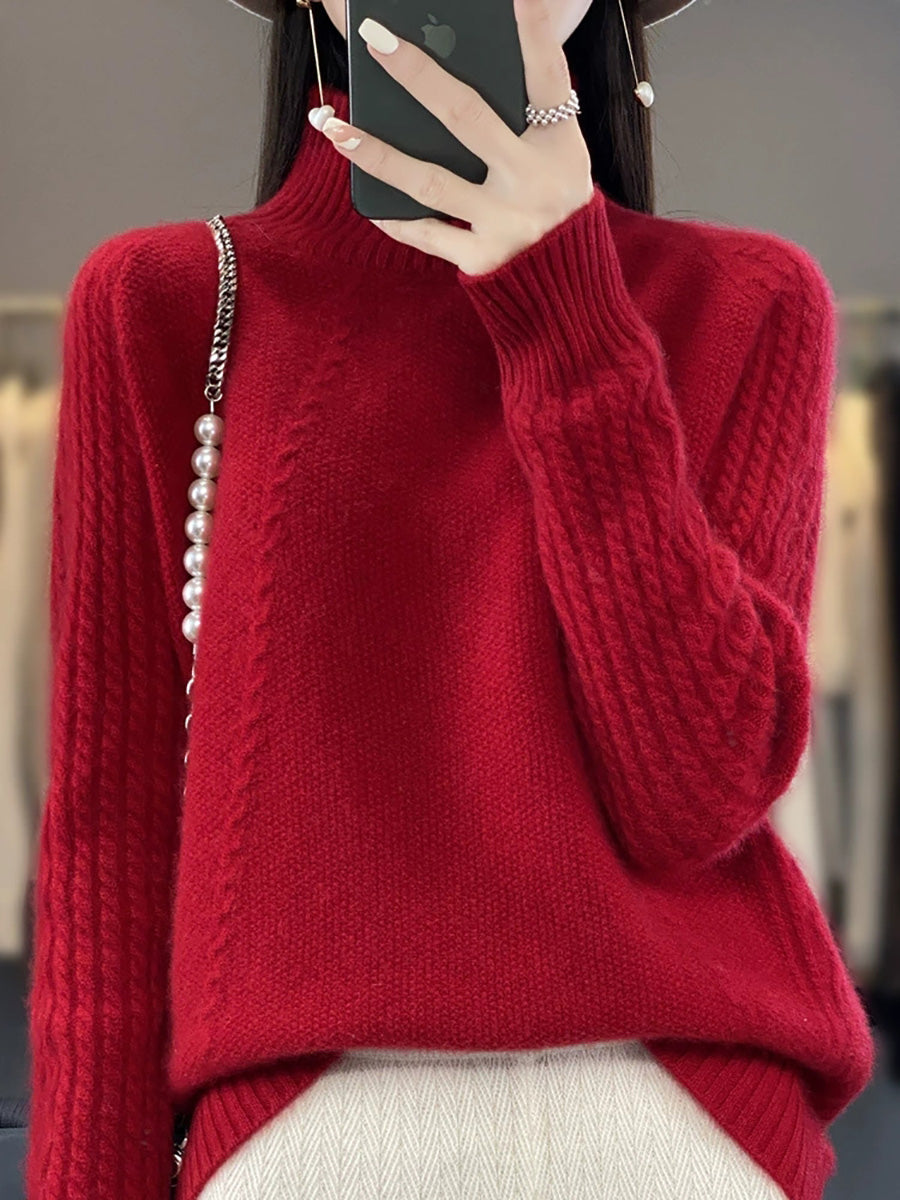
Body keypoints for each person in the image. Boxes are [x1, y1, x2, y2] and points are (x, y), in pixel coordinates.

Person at [24, 1, 876, 1199]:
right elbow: (109, 844)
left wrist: (564, 304)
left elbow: (700, 794)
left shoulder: (748, 301)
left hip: (681, 1130)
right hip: (305, 1143)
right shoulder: (164, 300)